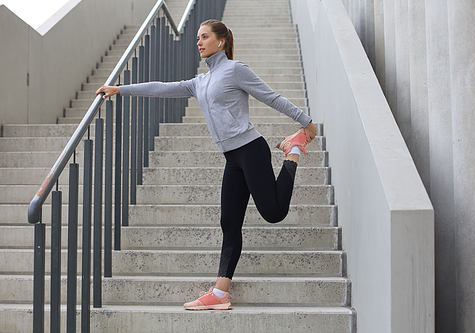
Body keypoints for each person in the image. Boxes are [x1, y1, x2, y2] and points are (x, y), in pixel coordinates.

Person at [96, 19, 317, 311]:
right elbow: (162, 88)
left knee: (274, 212)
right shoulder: (199, 82)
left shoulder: (235, 70)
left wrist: (306, 122)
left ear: (221, 41)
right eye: (197, 38)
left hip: (251, 149)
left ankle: (294, 149)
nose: (198, 42)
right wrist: (120, 89)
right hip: (232, 158)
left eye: (204, 37)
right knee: (229, 223)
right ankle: (220, 292)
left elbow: (271, 97)